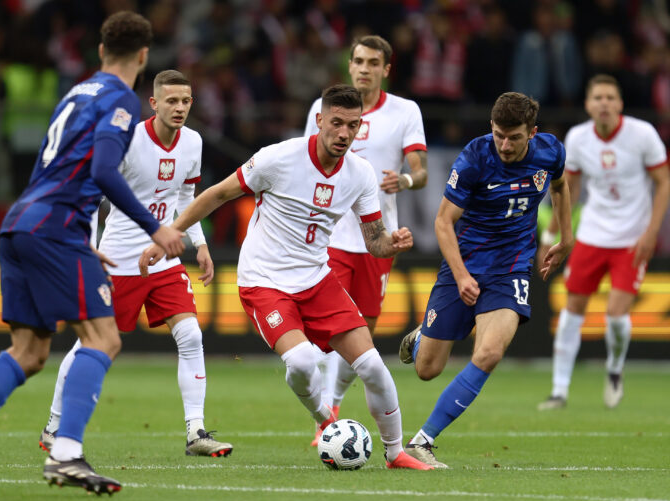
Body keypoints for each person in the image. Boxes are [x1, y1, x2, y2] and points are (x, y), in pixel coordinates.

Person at [0, 12, 184, 496]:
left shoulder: (76, 93)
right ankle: (66, 454)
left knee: (30, 351)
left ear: (102, 52)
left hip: (21, 221)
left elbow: (54, 164)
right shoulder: (122, 102)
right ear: (144, 57)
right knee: (104, 338)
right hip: (57, 227)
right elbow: (104, 170)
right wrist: (155, 226)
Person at [141, 84, 433, 470]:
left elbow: (374, 240)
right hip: (264, 280)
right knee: (299, 363)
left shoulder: (361, 174)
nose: (344, 133)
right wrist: (172, 232)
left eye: (353, 126)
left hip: (316, 279)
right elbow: (217, 194)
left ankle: (396, 453)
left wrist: (392, 243)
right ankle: (324, 417)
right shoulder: (278, 158)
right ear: (319, 121)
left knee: (373, 367)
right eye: (337, 123)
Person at [38, 69, 233, 458]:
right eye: (172, 101)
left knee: (191, 335)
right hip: (120, 262)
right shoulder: (128, 140)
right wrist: (87, 245)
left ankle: (196, 432)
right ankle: (54, 424)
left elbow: (185, 195)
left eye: (186, 101)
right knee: (91, 345)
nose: (180, 108)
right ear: (154, 103)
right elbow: (92, 195)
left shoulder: (192, 142)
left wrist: (200, 243)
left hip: (164, 260)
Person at [398, 92, 573, 468]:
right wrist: (461, 276)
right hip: (464, 265)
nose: (505, 145)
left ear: (533, 133)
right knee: (428, 370)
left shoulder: (551, 151)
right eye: (498, 135)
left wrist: (566, 237)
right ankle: (420, 340)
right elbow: (443, 221)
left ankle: (422, 440)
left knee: (490, 352)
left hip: (511, 268)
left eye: (514, 137)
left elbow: (559, 187)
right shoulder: (475, 157)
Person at [303, 35, 428, 446]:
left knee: (362, 329)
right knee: (333, 327)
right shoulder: (323, 110)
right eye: (358, 60)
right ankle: (326, 413)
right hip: (333, 233)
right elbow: (307, 159)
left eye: (373, 62)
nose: (363, 68)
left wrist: (404, 180)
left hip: (378, 237)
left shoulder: (405, 111)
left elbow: (421, 170)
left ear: (386, 68)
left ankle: (333, 401)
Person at [537, 75, 670, 411]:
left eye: (611, 97)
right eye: (598, 97)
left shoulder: (642, 134)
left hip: (631, 239)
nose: (605, 103)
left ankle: (614, 369)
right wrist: (551, 235)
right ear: (588, 104)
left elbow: (664, 183)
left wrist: (651, 232)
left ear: (620, 104)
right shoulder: (579, 138)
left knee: (615, 315)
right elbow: (570, 191)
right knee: (572, 311)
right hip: (592, 235)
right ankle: (559, 390)